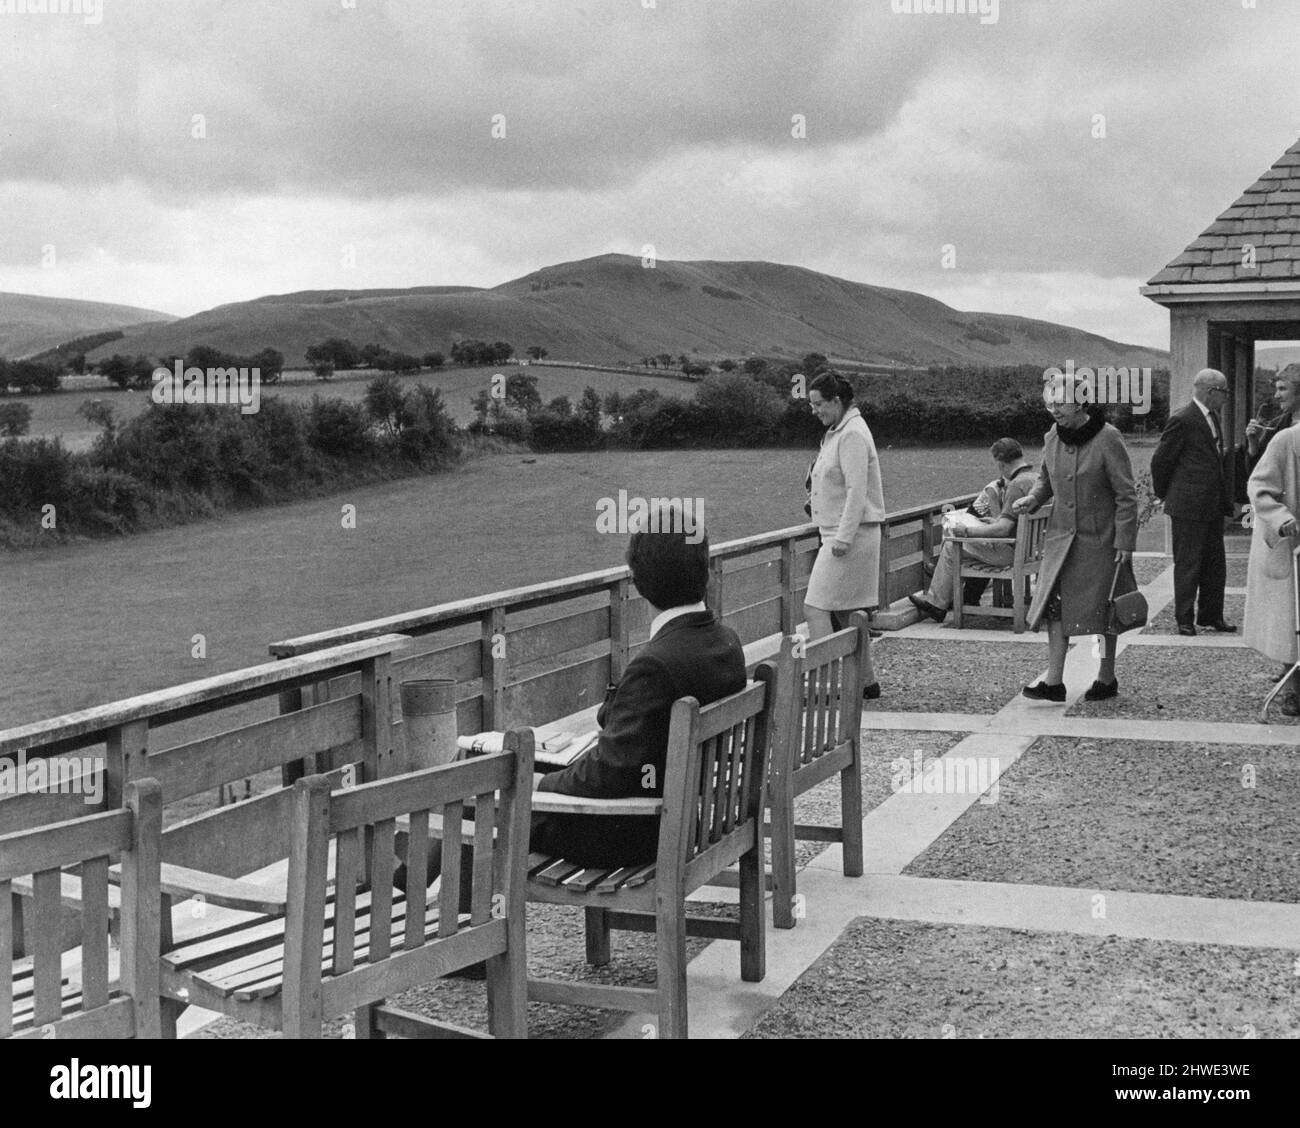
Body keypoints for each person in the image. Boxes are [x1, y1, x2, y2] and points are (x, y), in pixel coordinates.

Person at [532, 506, 747, 866]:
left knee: (487, 794)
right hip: (692, 815)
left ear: (637, 583)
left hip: (638, 831)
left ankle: (421, 898)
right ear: (706, 573)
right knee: (484, 777)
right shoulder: (727, 644)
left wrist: (538, 784)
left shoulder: (655, 665)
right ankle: (414, 889)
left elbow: (609, 773)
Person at [1011, 389, 1138, 702]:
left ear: (1081, 403)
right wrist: (1034, 497)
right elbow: (1045, 478)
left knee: (1105, 612)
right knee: (1055, 609)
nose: (1054, 409)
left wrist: (1124, 542)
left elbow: (1126, 494)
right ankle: (1053, 682)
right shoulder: (1052, 436)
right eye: (1050, 403)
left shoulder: (1108, 437)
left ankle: (1106, 677)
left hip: (1101, 542)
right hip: (1061, 541)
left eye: (1061, 403)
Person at [805, 371, 882, 697]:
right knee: (848, 613)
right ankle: (866, 682)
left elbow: (856, 490)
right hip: (841, 533)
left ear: (837, 401)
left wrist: (843, 539)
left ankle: (831, 682)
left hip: (848, 537)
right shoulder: (840, 430)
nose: (814, 410)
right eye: (811, 404)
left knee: (815, 608)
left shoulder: (850, 434)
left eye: (819, 404)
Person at [908, 437, 1037, 622]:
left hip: (1012, 552)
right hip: (1033, 552)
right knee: (966, 545)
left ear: (1000, 464)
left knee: (953, 546)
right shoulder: (1035, 478)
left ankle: (937, 605)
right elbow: (1013, 522)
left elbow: (1003, 530)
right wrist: (994, 521)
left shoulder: (1016, 485)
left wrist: (968, 532)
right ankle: (958, 598)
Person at [1149, 368, 1235, 637]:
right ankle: (1184, 618)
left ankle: (1211, 615)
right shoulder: (1183, 419)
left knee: (1214, 563)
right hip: (1188, 506)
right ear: (1212, 392)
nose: (1226, 398)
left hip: (1211, 505)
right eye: (1225, 392)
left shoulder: (1212, 418)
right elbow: (1161, 461)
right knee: (1188, 564)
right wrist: (1167, 494)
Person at [1243, 425, 1300, 716]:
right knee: (1292, 619)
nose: (1278, 395)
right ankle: (1293, 687)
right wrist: (1282, 517)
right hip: (1293, 545)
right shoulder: (1286, 440)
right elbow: (1259, 486)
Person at [1245, 368, 1300, 472]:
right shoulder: (1275, 426)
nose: (1276, 396)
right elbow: (1258, 473)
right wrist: (1254, 445)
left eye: (1282, 389)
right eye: (1276, 389)